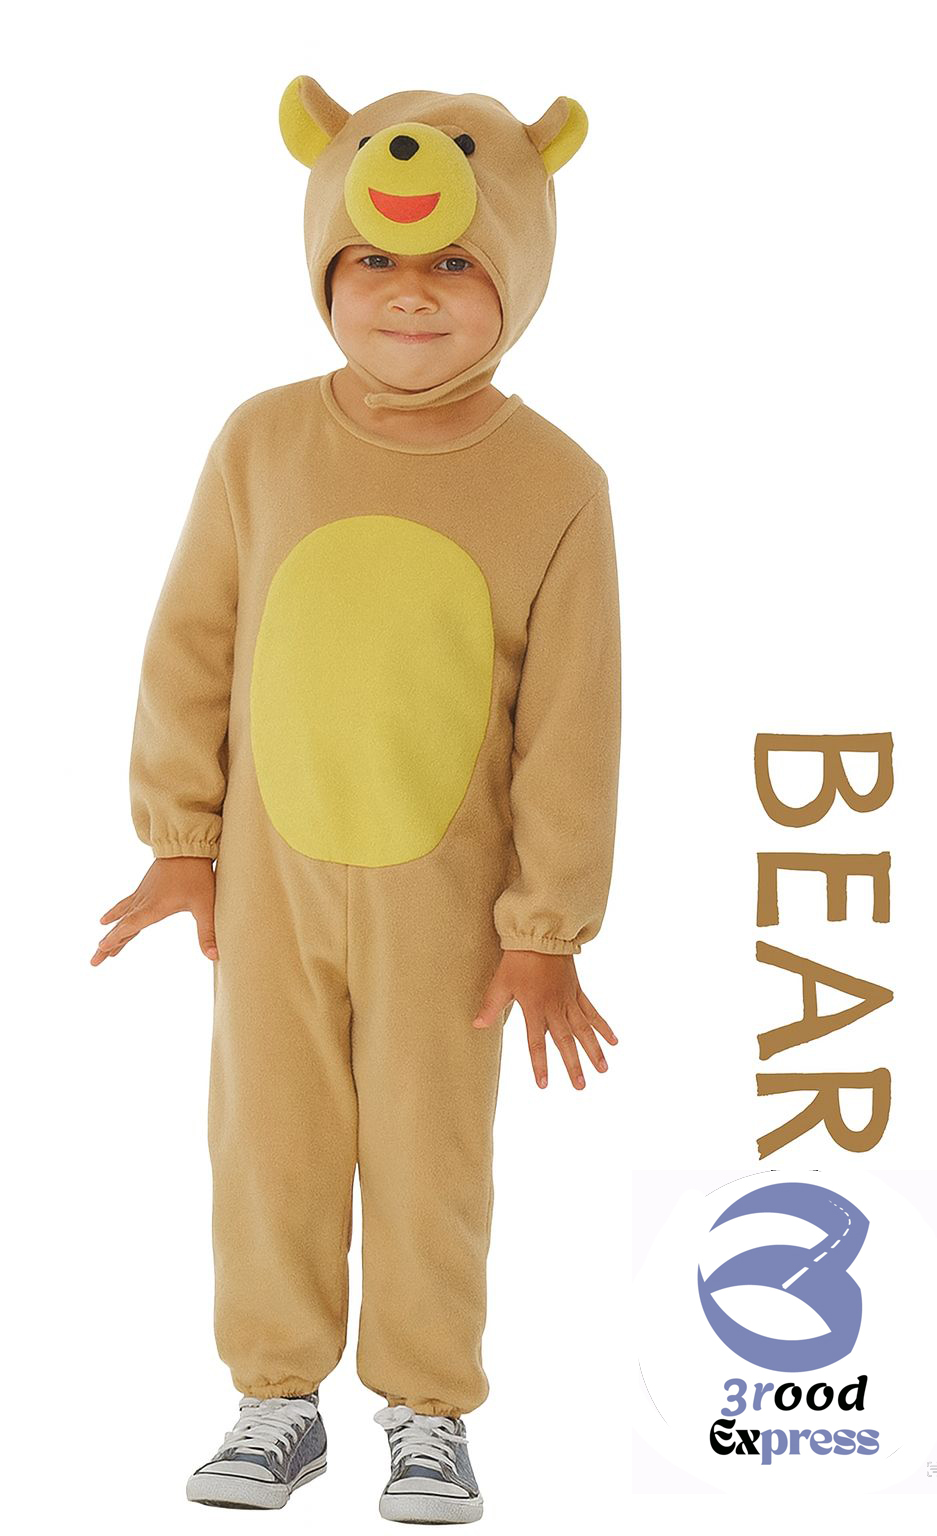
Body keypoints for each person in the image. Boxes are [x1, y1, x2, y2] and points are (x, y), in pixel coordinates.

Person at [91, 80, 622, 1524]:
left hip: (449, 912)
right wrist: (182, 842)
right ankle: (277, 1398)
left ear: (519, 270)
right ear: (325, 262)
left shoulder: (556, 483)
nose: (409, 292)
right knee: (268, 1140)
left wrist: (547, 927)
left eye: (454, 261)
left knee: (432, 1157)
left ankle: (428, 1410)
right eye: (373, 258)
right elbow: (193, 644)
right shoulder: (261, 444)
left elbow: (572, 726)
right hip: (269, 892)